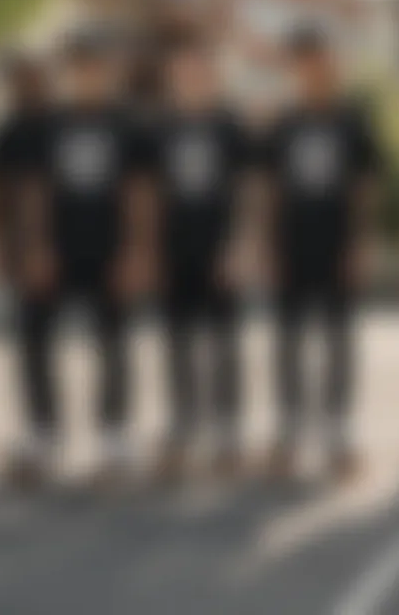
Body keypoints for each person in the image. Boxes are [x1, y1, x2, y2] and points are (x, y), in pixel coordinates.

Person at [8, 26, 154, 484]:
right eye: (77, 65)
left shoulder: (128, 123)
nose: (86, 73)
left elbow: (140, 192)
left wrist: (136, 250)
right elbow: (34, 190)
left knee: (113, 343)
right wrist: (36, 246)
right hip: (55, 252)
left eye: (94, 65)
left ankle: (114, 436)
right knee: (34, 337)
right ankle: (42, 434)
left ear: (108, 70)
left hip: (109, 251)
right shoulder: (45, 123)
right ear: (67, 71)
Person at [263, 26, 382, 482]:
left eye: (320, 60)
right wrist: (265, 243)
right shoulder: (285, 122)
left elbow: (364, 189)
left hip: (338, 248)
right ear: (297, 69)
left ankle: (338, 432)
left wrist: (361, 243)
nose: (313, 70)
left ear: (332, 64)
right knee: (289, 343)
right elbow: (270, 188)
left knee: (337, 342)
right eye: (304, 62)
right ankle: (290, 430)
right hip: (291, 248)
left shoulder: (353, 121)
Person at [145, 31, 251, 480]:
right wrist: (147, 250)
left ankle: (227, 433)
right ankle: (184, 427)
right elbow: (146, 196)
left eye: (200, 69)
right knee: (178, 343)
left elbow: (250, 190)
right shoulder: (159, 129)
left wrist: (242, 242)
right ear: (172, 76)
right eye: (183, 70)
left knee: (224, 345)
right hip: (174, 250)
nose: (192, 77)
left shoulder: (232, 127)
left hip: (220, 250)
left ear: (213, 75)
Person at [0, 54, 53, 483]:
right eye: (19, 77)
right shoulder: (7, 129)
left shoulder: (57, 124)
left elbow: (36, 192)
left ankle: (95, 437)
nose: (26, 84)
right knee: (32, 345)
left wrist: (39, 246)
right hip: (23, 255)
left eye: (33, 76)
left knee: (102, 340)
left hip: (62, 251)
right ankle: (40, 435)